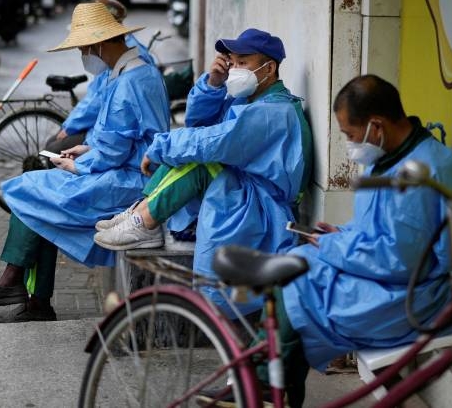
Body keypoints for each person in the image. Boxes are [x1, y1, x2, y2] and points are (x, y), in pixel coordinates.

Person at [0, 3, 170, 322]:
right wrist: (84, 150)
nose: (83, 54)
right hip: (124, 171)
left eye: (84, 48)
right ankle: (31, 297)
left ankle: (19, 287)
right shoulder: (132, 72)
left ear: (97, 44)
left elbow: (115, 148)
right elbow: (121, 136)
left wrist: (79, 165)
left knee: (27, 190)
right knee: (34, 194)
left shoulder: (130, 80)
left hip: (131, 182)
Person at [272, 74, 452, 407]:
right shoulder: (385, 158)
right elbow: (376, 230)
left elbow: (400, 261)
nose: (349, 145)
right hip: (383, 274)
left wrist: (334, 247)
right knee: (292, 267)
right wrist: (340, 235)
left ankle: (270, 388)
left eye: (349, 135)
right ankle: (271, 386)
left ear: (376, 126)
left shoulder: (428, 170)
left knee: (294, 288)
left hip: (413, 295)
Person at [93, 28, 313, 314]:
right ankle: (142, 213)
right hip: (244, 193)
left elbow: (215, 141)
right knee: (189, 152)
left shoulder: (273, 111)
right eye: (232, 62)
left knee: (199, 160)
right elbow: (198, 124)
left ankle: (145, 219)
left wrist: (159, 146)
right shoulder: (250, 99)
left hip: (262, 209)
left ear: (269, 68)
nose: (234, 68)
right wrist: (213, 83)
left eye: (243, 63)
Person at [44, 0, 154, 154]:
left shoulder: (130, 73)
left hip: (124, 159)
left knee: (54, 150)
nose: (83, 56)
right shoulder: (119, 64)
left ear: (100, 43)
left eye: (83, 50)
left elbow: (116, 145)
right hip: (107, 144)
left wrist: (80, 162)